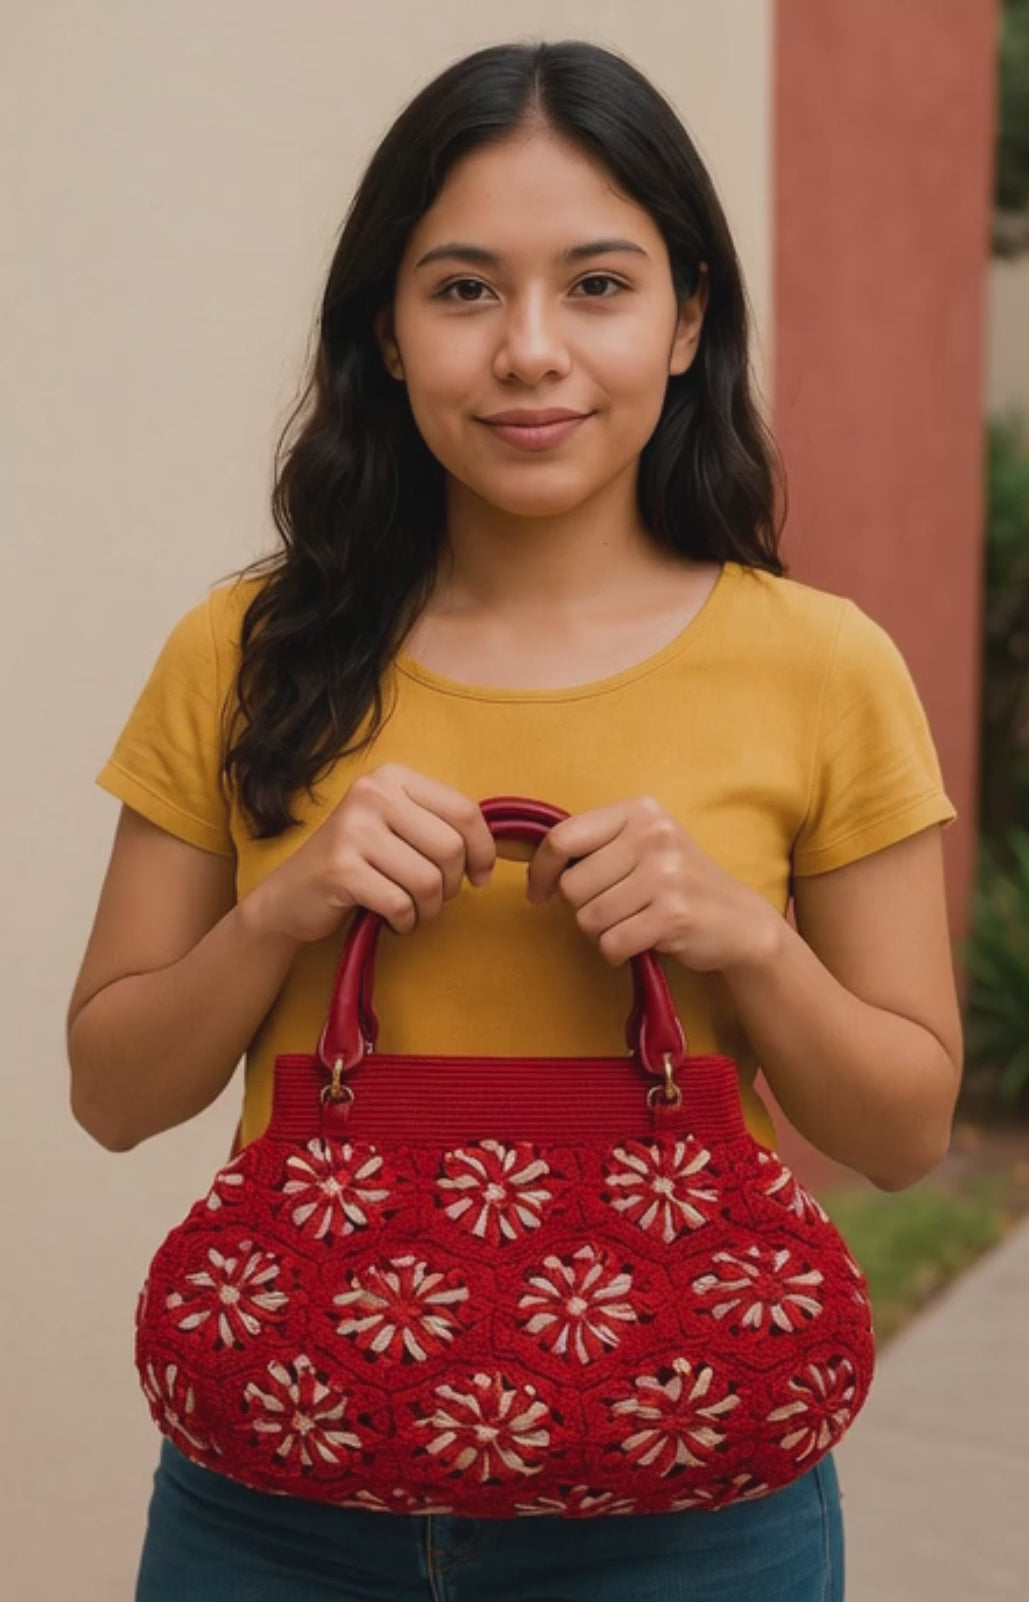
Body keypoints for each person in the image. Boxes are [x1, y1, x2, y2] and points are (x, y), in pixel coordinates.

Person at [67, 37, 962, 1602]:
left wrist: (745, 936)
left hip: (690, 1516)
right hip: (277, 1504)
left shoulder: (825, 667)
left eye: (597, 286)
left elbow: (903, 1127)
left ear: (689, 320)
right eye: (465, 289)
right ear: (386, 335)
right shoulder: (246, 653)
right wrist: (283, 908)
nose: (530, 351)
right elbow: (113, 1089)